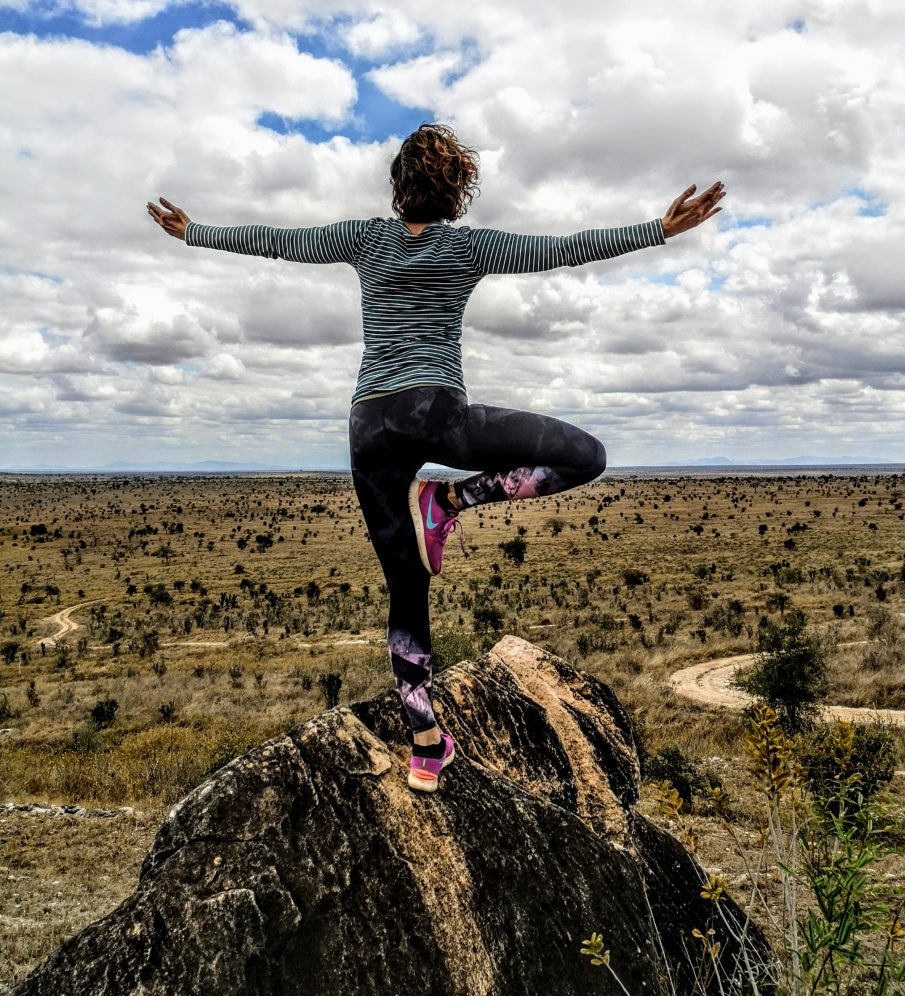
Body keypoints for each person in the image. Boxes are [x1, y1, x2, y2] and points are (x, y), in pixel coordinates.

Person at [147, 123, 725, 793]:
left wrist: (193, 232)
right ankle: (448, 500)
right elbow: (563, 250)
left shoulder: (362, 239)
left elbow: (277, 242)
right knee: (585, 456)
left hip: (368, 427)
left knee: (406, 590)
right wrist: (658, 229)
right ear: (457, 191)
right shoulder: (465, 246)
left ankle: (426, 746)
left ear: (398, 188)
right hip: (434, 413)